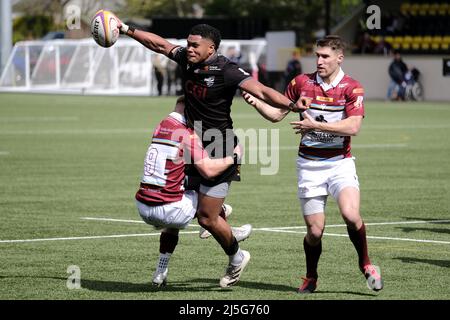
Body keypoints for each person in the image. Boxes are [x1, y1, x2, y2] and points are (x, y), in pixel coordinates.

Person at [115, 16, 306, 288]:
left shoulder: (227, 71)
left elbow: (262, 90)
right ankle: (162, 268)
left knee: (206, 217)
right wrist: (125, 29)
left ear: (211, 49)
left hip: (220, 146)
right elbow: (158, 45)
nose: (188, 49)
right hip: (191, 144)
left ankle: (236, 258)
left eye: (195, 46)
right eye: (188, 44)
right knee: (173, 210)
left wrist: (292, 104)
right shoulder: (187, 59)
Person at [242, 35, 383, 294]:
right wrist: (257, 103)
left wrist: (315, 125)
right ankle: (311, 276)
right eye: (317, 55)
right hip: (308, 165)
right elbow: (277, 115)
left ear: (339, 58)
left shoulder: (352, 88)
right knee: (315, 232)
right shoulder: (301, 83)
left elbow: (353, 127)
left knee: (351, 215)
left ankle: (366, 264)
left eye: (325, 56)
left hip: (340, 163)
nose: (319, 61)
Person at [136, 96, 252, 287]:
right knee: (208, 211)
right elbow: (209, 170)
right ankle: (225, 230)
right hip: (171, 210)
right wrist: (235, 156)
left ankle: (160, 271)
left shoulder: (161, 126)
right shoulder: (186, 133)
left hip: (143, 206)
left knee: (182, 191)